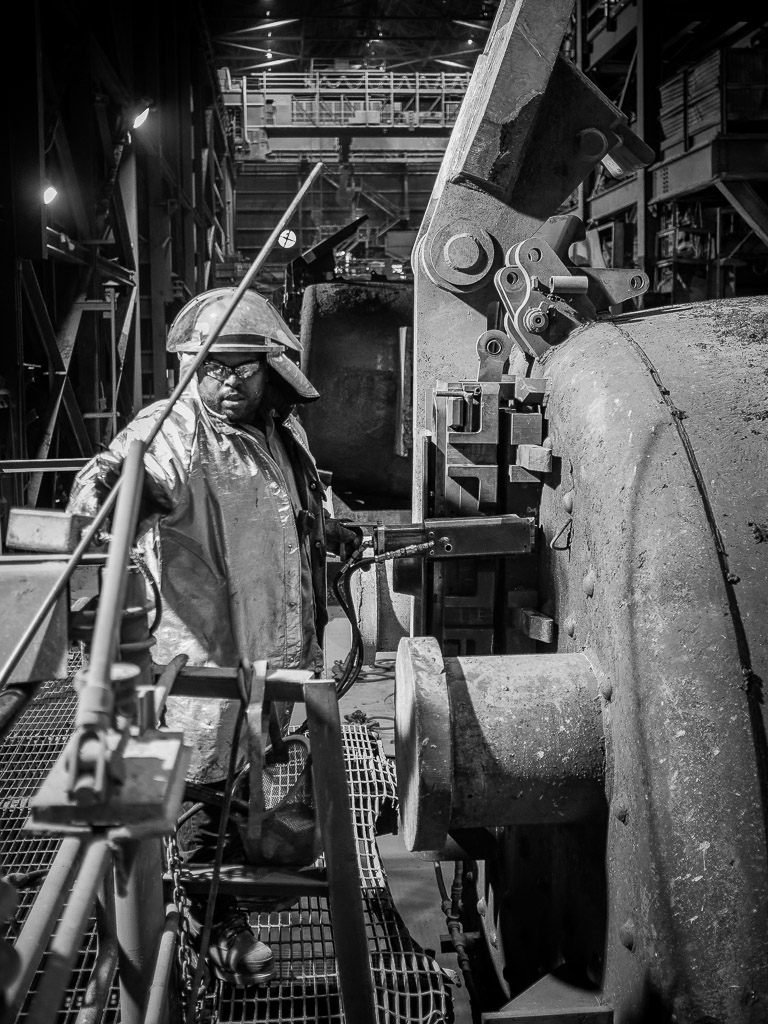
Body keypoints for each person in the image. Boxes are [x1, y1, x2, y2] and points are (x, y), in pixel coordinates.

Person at [67, 287, 360, 987]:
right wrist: (113, 488)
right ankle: (210, 928)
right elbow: (107, 486)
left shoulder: (280, 430)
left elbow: (295, 496)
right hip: (198, 668)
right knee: (198, 797)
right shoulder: (173, 432)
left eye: (240, 367)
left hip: (266, 657)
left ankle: (219, 900)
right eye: (209, 367)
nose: (224, 382)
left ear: (271, 370)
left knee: (237, 782)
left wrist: (332, 523)